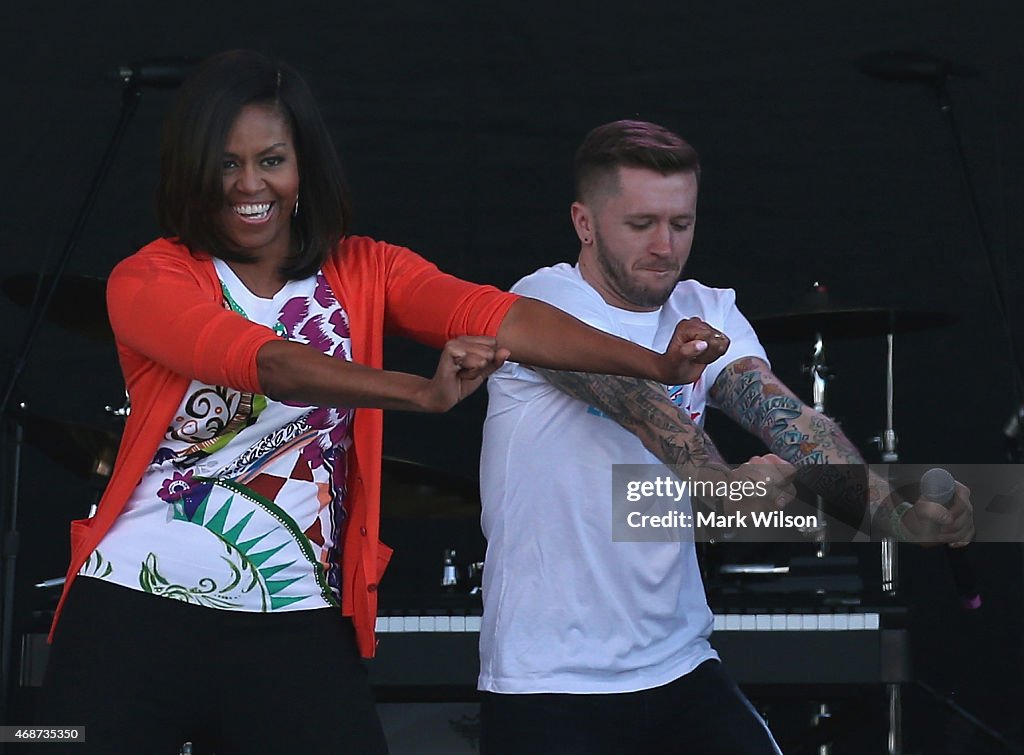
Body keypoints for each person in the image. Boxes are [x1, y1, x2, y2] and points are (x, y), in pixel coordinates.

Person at [35, 58, 732, 755]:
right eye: (226, 164)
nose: (251, 185)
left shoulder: (365, 269)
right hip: (132, 606)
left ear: (304, 165)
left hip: (293, 616)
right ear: (194, 170)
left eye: (271, 159)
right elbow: (267, 363)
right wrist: (420, 393)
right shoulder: (149, 277)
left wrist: (656, 363)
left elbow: (500, 315)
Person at [477, 120, 975, 754]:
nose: (665, 245)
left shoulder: (706, 309)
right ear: (585, 223)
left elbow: (788, 422)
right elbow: (645, 411)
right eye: (641, 225)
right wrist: (728, 490)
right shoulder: (542, 305)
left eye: (680, 224)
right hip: (547, 682)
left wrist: (902, 519)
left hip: (678, 663)